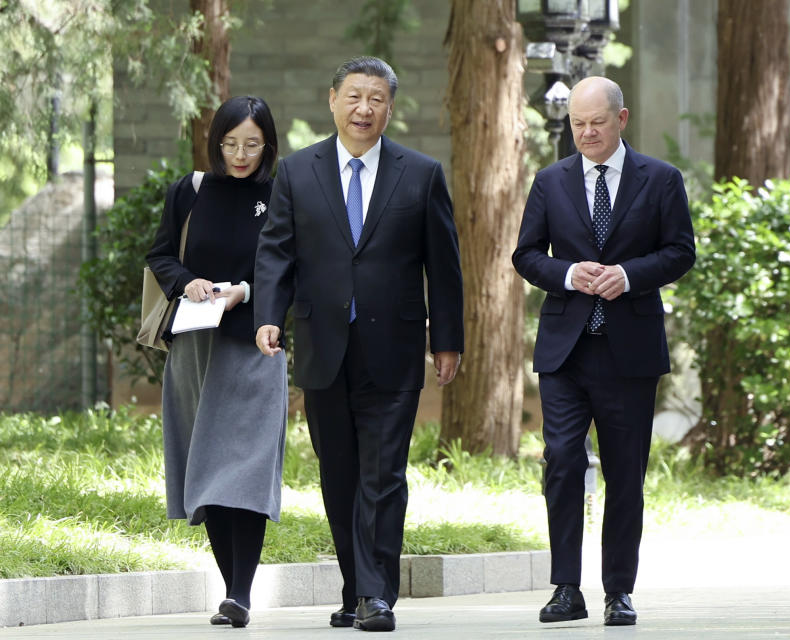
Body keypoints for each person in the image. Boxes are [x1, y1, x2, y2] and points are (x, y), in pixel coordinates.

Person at [254, 56, 463, 633]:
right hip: (323, 347)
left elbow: (443, 267)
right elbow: (276, 251)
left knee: (384, 475)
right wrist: (268, 315)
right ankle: (355, 588)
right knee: (339, 476)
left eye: (376, 99)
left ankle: (377, 594)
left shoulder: (420, 174)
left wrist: (447, 340)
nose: (364, 108)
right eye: (354, 97)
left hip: (394, 351)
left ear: (390, 108)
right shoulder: (297, 172)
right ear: (332, 101)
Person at [512, 76, 695, 627]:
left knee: (625, 473)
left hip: (629, 352)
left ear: (622, 118)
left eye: (596, 122)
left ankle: (619, 589)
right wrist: (568, 272)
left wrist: (628, 275)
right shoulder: (550, 181)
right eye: (576, 124)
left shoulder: (660, 180)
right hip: (566, 351)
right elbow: (526, 255)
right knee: (562, 462)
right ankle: (566, 587)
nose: (586, 133)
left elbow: (680, 251)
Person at [145, 95, 286, 628]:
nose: (240, 154)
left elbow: (287, 267)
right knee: (205, 469)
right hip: (195, 347)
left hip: (255, 345)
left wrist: (245, 291)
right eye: (230, 144)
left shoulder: (279, 196)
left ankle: (242, 593)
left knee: (246, 470)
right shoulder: (190, 191)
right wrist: (189, 281)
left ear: (267, 145)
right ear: (216, 142)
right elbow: (161, 255)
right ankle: (231, 590)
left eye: (251, 144)